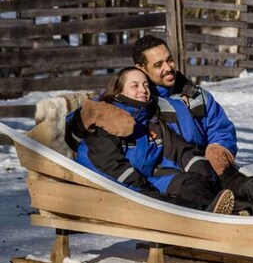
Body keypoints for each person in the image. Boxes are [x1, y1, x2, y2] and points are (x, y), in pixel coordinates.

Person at [66, 35, 253, 216]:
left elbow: (220, 126)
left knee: (230, 178)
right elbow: (94, 114)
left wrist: (219, 148)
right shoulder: (138, 99)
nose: (168, 68)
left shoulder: (194, 95)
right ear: (140, 69)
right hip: (167, 171)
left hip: (199, 160)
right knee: (205, 188)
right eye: (158, 65)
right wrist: (90, 114)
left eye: (169, 60)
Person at [75, 67, 235, 214]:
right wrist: (145, 190)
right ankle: (210, 219)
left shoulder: (149, 121)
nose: (143, 90)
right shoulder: (107, 123)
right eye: (135, 86)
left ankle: (221, 214)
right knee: (164, 203)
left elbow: (180, 150)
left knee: (193, 181)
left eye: (145, 85)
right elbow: (109, 166)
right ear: (118, 92)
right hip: (117, 189)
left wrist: (204, 173)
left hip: (149, 180)